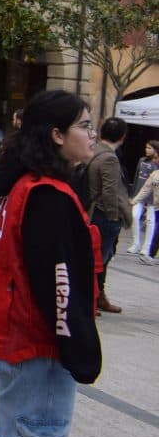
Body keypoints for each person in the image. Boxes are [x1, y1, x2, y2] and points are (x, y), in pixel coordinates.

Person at [0, 90, 100, 437]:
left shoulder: (25, 186)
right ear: (57, 135)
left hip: (17, 342)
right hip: (39, 349)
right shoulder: (47, 194)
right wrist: (80, 350)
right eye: (84, 125)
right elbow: (59, 282)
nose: (92, 133)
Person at [85, 117, 132, 313]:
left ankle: (99, 296)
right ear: (122, 136)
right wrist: (114, 217)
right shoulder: (110, 158)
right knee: (99, 261)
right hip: (104, 215)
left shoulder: (93, 151)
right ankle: (90, 298)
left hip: (92, 211)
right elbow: (110, 191)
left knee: (97, 259)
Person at [128, 139, 159, 265]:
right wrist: (134, 198)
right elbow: (145, 187)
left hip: (154, 202)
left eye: (149, 148)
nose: (147, 150)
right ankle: (137, 244)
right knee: (135, 216)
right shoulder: (143, 162)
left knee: (152, 223)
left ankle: (147, 249)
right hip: (146, 197)